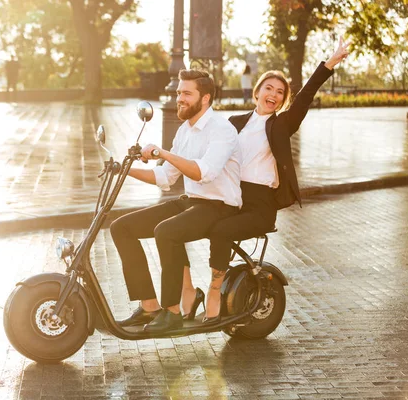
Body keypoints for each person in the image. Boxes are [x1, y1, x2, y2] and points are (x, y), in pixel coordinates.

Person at [179, 38, 351, 324]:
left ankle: (214, 289)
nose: (273, 94)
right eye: (268, 88)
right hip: (232, 198)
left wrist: (329, 63)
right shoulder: (234, 122)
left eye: (280, 92)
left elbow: (306, 95)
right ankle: (186, 291)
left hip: (260, 206)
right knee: (182, 225)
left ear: (282, 100)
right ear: (257, 92)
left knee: (220, 231)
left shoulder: (282, 124)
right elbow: (205, 145)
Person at [110, 69, 242, 333]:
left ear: (205, 99)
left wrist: (163, 152)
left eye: (185, 93)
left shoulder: (222, 129)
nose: (179, 98)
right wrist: (123, 170)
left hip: (221, 207)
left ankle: (172, 312)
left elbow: (204, 172)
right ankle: (150, 306)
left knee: (166, 231)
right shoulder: (184, 131)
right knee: (121, 228)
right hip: (193, 202)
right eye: (178, 92)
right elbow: (165, 177)